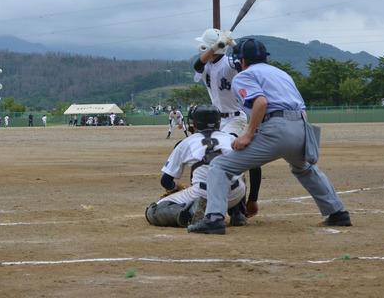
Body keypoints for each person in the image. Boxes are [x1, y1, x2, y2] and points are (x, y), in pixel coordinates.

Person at [188, 39, 351, 234]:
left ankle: (214, 218)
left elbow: (261, 103)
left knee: (220, 166)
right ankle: (338, 213)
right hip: (301, 127)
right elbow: (300, 106)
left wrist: (248, 134)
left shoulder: (244, 75)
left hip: (276, 128)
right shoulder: (282, 74)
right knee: (304, 168)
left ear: (242, 60)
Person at [194, 27, 262, 222]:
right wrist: (216, 46)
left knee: (236, 157)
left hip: (236, 118)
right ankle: (224, 205)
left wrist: (235, 47)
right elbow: (197, 65)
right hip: (215, 120)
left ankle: (239, 209)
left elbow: (246, 66)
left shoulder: (230, 63)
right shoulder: (206, 65)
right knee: (212, 157)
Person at [146, 105, 248, 228]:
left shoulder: (186, 143)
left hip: (204, 194)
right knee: (238, 173)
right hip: (236, 194)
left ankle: (191, 212)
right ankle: (238, 214)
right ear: (219, 122)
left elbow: (166, 181)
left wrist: (175, 188)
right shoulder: (231, 138)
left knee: (154, 210)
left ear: (195, 124)